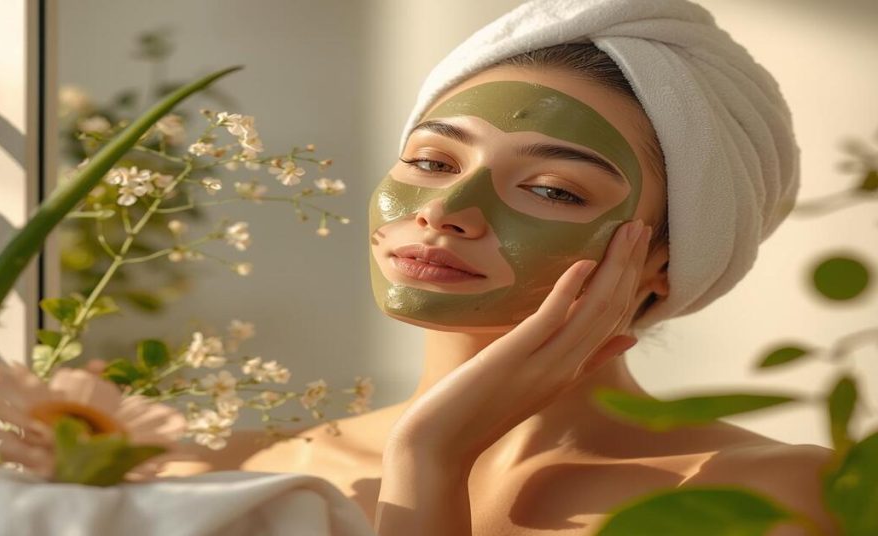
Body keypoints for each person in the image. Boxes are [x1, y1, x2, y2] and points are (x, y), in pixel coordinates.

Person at [165, 1, 836, 534]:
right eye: (431, 162)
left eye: (551, 189)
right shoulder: (253, 469)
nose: (446, 210)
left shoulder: (767, 498)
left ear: (664, 259)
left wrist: (431, 461)